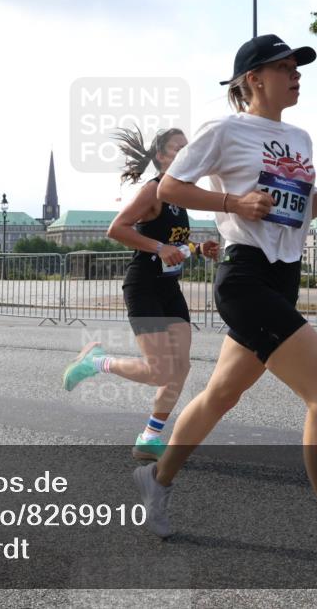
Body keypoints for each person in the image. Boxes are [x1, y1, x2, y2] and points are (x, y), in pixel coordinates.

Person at [136, 34, 317, 575]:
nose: (297, 74)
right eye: (284, 67)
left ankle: (157, 479)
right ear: (252, 79)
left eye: (298, 67)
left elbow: (295, 215)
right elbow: (168, 188)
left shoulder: (300, 137)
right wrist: (231, 201)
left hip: (284, 277)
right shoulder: (224, 130)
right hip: (245, 278)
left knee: (219, 395)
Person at [61, 126, 220, 460]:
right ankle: (96, 361)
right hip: (143, 286)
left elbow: (174, 242)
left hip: (169, 289)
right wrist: (160, 247)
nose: (185, 153)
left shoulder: (181, 195)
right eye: (178, 148)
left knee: (181, 368)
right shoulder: (154, 191)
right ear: (161, 156)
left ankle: (150, 437)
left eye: (187, 148)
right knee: (160, 370)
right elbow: (116, 228)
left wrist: (197, 247)